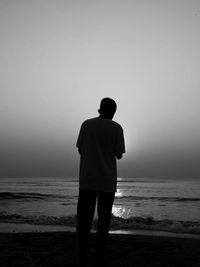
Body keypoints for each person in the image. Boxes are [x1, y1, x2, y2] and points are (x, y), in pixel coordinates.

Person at [76, 97, 125, 267]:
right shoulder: (117, 128)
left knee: (84, 220)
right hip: (107, 180)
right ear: (113, 112)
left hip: (87, 178)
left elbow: (80, 149)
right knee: (104, 221)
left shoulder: (86, 125)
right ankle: (99, 256)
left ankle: (82, 256)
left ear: (99, 110)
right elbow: (119, 154)